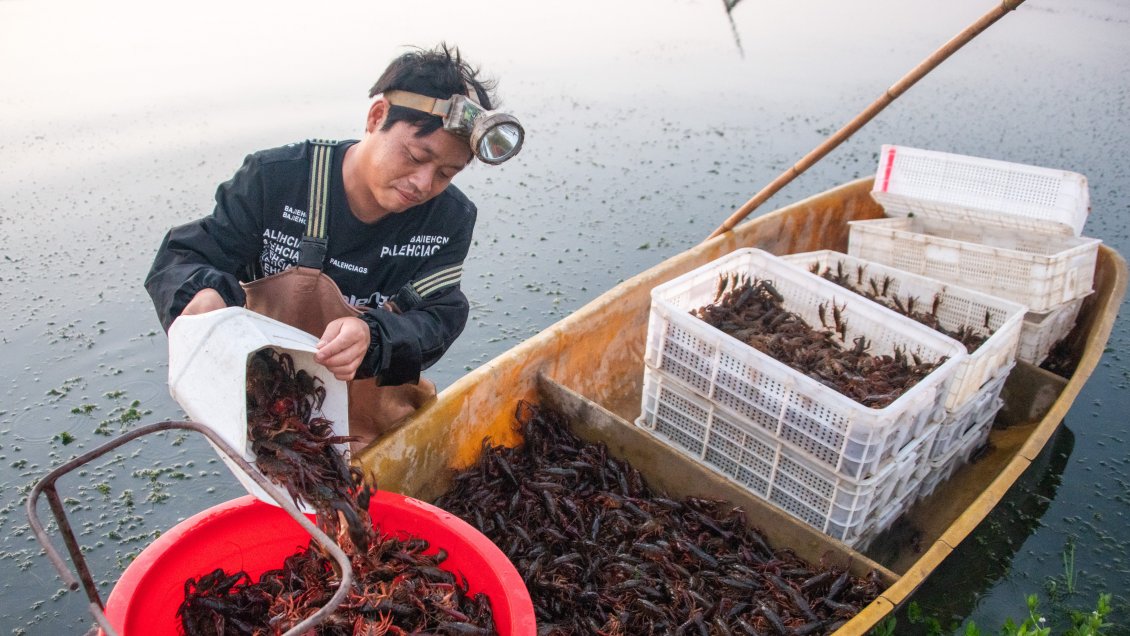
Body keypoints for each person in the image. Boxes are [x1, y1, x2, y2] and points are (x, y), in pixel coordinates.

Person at [145, 43, 522, 447]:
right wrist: (200, 295)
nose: (423, 184)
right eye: (415, 156)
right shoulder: (275, 180)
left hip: (376, 423)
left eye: (446, 173)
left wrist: (374, 337)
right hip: (272, 419)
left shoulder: (449, 219)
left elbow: (440, 315)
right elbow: (183, 256)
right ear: (377, 117)